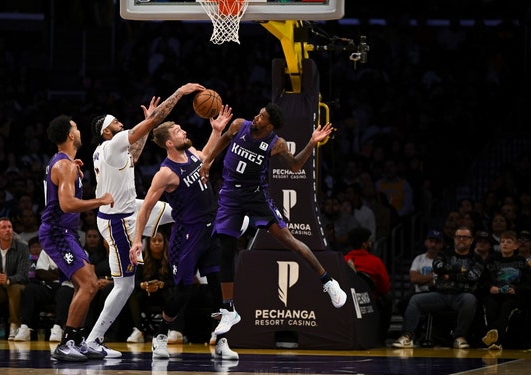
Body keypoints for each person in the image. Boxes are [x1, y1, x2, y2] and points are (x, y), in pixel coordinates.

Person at [198, 103, 347, 336]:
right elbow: (225, 139)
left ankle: (328, 281)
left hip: (255, 195)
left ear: (270, 125)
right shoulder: (239, 125)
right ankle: (229, 310)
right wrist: (208, 160)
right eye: (258, 113)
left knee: (288, 240)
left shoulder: (276, 144)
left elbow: (296, 166)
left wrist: (311, 142)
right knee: (225, 249)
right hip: (229, 194)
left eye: (262, 117)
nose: (256, 117)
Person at [84, 82, 204, 358]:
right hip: (117, 222)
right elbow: (157, 119)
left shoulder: (112, 150)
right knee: (124, 285)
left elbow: (134, 157)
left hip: (130, 209)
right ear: (105, 131)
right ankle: (93, 340)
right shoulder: (112, 143)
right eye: (116, 122)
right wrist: (180, 93)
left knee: (183, 210)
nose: (121, 123)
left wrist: (147, 124)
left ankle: (223, 219)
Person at [130, 108, 239, 360]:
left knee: (217, 288)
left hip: (211, 230)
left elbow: (205, 156)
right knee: (184, 292)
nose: (184, 131)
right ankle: (160, 335)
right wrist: (138, 239)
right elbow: (146, 207)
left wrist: (216, 131)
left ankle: (221, 340)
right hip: (187, 236)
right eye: (179, 131)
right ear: (169, 142)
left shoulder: (191, 153)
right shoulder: (165, 173)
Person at [39, 114, 115, 361]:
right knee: (89, 284)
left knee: (88, 283)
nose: (80, 131)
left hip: (64, 232)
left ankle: (78, 340)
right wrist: (100, 201)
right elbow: (67, 203)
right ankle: (67, 342)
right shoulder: (65, 165)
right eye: (76, 127)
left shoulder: (65, 164)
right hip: (57, 232)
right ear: (71, 135)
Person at [392, 226, 484, 349]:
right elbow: (438, 267)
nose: (461, 239)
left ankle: (459, 337)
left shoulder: (476, 258)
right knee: (414, 300)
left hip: (462, 295)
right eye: (458, 237)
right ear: (454, 239)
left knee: (470, 300)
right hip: (440, 294)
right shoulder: (443, 253)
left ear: (471, 240)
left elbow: (473, 276)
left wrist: (448, 275)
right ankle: (407, 336)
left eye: (465, 237)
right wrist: (461, 271)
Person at [480, 230, 531, 350]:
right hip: (495, 293)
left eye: (509, 242)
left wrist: (516, 290)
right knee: (491, 305)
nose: (505, 244)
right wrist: (491, 288)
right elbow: (483, 280)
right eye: (502, 241)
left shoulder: (521, 261)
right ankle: (493, 339)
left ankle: (496, 340)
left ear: (515, 246)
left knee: (506, 307)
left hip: (513, 295)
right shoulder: (491, 260)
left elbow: (528, 282)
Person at [0, 217, 30, 341]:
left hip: (17, 286)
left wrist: (8, 280)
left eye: (10, 227)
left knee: (14, 288)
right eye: (4, 227)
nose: (8, 230)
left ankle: (14, 326)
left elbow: (23, 275)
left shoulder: (22, 248)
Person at [343, 227, 392, 341]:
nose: (370, 243)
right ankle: (381, 337)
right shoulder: (376, 262)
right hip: (371, 303)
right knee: (388, 299)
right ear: (364, 244)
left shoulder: (343, 260)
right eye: (369, 241)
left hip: (348, 302)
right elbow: (385, 288)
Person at [126, 231, 175, 344]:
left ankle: (172, 330)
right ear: (148, 243)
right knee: (131, 293)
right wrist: (144, 285)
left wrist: (162, 284)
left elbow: (174, 281)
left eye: (160, 240)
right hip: (146, 294)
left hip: (163, 294)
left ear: (164, 243)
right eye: (154, 241)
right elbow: (135, 281)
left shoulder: (170, 259)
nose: (157, 243)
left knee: (173, 292)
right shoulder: (141, 258)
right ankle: (138, 330)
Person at [14, 238, 61, 342]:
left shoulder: (74, 250)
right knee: (30, 289)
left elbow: (70, 274)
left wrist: (51, 271)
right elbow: (40, 272)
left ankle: (58, 328)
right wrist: (60, 273)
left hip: (64, 287)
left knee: (64, 292)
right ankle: (25, 327)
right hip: (47, 285)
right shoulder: (46, 250)